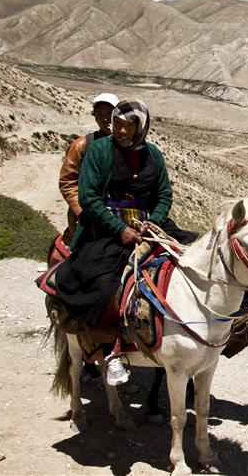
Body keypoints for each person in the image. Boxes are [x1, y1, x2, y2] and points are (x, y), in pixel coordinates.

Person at [55, 99, 173, 386]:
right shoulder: (98, 151)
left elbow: (164, 195)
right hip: (105, 227)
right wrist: (119, 229)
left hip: (148, 225)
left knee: (190, 260)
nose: (121, 131)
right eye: (118, 125)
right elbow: (88, 198)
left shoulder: (153, 155)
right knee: (102, 281)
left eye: (128, 126)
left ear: (141, 128)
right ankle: (109, 351)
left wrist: (152, 222)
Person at [59, 93, 119, 245]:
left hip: (120, 215)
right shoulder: (81, 146)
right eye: (100, 114)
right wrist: (82, 211)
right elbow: (67, 182)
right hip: (88, 218)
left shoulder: (127, 145)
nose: (105, 118)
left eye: (109, 113)